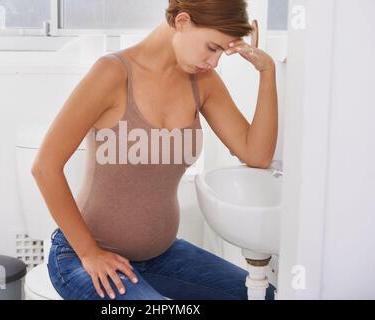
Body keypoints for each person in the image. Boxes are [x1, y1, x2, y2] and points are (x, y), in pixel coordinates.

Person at [32, 0, 278, 300]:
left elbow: (256, 154)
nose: (214, 62)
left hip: (161, 257)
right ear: (183, 21)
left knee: (266, 295)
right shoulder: (112, 73)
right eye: (212, 48)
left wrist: (267, 72)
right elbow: (44, 167)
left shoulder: (203, 82)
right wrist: (90, 253)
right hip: (83, 259)